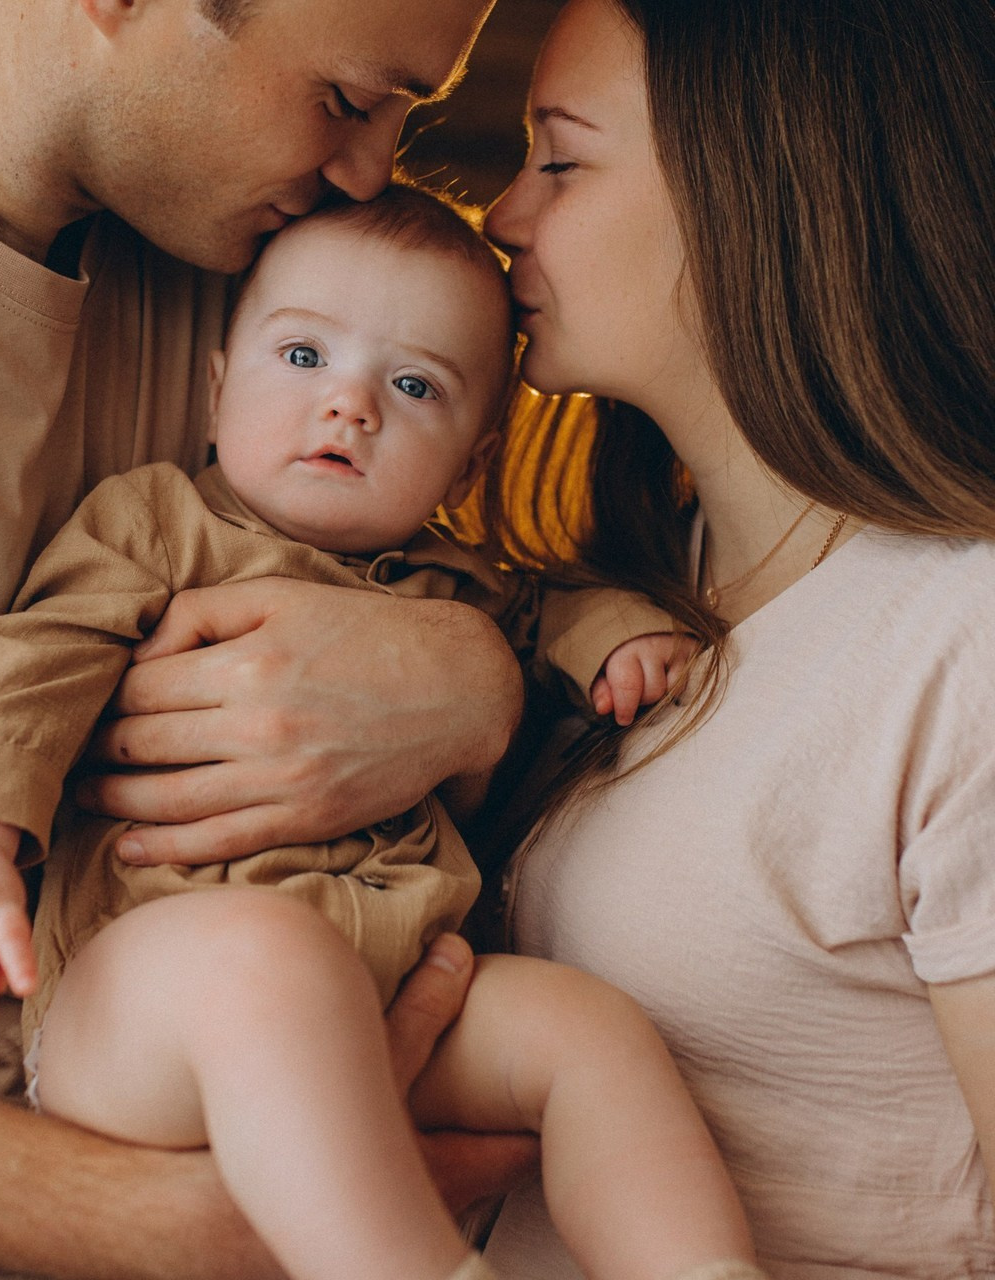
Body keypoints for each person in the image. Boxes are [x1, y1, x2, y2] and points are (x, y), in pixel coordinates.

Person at [0, 0, 550, 1276]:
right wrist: (166, 1224)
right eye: (344, 97)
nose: (371, 171)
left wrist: (473, 673)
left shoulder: (257, 257)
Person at [0, 184, 753, 1280]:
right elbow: (29, 661)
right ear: (214, 388)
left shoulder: (463, 591)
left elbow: (551, 616)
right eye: (302, 359)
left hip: (392, 989)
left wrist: (618, 636)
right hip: (153, 1004)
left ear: (470, 464)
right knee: (264, 961)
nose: (350, 407)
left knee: (587, 1030)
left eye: (412, 383)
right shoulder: (157, 525)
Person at [477, 0, 995, 1274]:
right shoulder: (647, 579)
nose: (500, 211)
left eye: (559, 157)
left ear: (752, 193)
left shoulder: (961, 641)